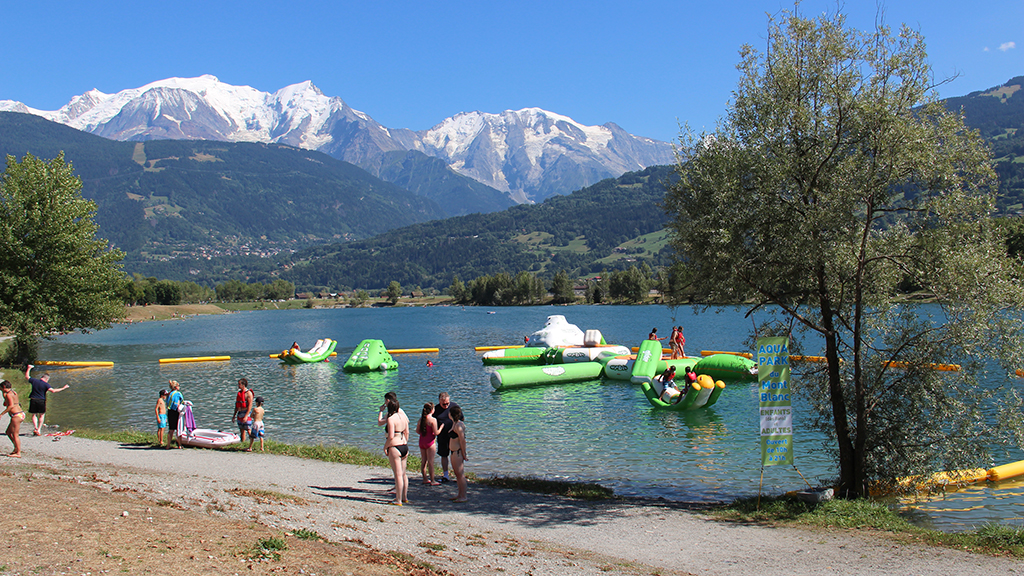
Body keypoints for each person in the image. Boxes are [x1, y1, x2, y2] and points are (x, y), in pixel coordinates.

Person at [25, 364, 69, 436]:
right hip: (41, 400)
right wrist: (63, 388)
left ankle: (35, 427)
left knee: (34, 415)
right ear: (47, 379)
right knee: (42, 415)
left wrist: (29, 368)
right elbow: (53, 391)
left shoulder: (34, 381)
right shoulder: (46, 385)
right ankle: (39, 429)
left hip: (33, 399)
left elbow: (27, 376)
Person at [383, 395, 409, 505]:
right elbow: (407, 432)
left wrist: (385, 447)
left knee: (398, 474)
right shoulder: (403, 417)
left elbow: (391, 436)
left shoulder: (391, 419)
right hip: (404, 445)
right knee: (403, 474)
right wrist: (405, 441)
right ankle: (404, 497)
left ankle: (398, 499)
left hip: (395, 446)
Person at [433, 392, 460, 483]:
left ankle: (458, 475)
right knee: (444, 455)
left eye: (447, 403)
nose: (446, 405)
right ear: (439, 401)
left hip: (454, 436)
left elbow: (461, 419)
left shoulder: (454, 407)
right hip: (442, 436)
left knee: (455, 455)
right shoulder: (436, 410)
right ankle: (446, 475)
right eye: (443, 404)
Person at [417, 402, 442, 485]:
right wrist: (441, 427)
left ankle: (424, 478)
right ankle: (432, 480)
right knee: (431, 462)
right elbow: (436, 432)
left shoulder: (421, 419)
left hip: (422, 441)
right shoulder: (433, 420)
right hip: (430, 442)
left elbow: (417, 431)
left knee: (424, 461)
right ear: (432, 410)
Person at [448, 404, 468, 502]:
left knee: (460, 475)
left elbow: (462, 440)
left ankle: (463, 496)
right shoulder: (454, 423)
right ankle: (459, 494)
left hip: (458, 452)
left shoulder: (459, 425)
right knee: (457, 474)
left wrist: (464, 453)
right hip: (453, 452)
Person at [1, 380, 25, 457]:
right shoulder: (14, 393)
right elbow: (5, 403)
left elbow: (10, 406)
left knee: (15, 434)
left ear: (4, 387)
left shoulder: (9, 395)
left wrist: (1, 414)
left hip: (16, 415)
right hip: (20, 413)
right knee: (8, 432)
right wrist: (3, 394)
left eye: (1, 389)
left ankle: (18, 452)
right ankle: (16, 448)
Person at [233, 378, 254, 443]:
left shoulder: (248, 393)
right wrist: (234, 415)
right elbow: (237, 405)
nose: (238, 385)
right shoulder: (239, 393)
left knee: (248, 429)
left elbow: (250, 405)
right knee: (241, 430)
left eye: (239, 384)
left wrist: (246, 416)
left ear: (243, 385)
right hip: (240, 412)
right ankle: (243, 443)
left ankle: (251, 444)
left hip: (246, 413)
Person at [166, 380, 183, 449]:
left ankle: (168, 445)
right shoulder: (178, 394)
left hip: (170, 411)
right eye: (178, 386)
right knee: (178, 429)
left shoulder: (170, 393)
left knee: (171, 429)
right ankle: (179, 445)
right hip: (176, 411)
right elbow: (181, 401)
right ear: (176, 387)